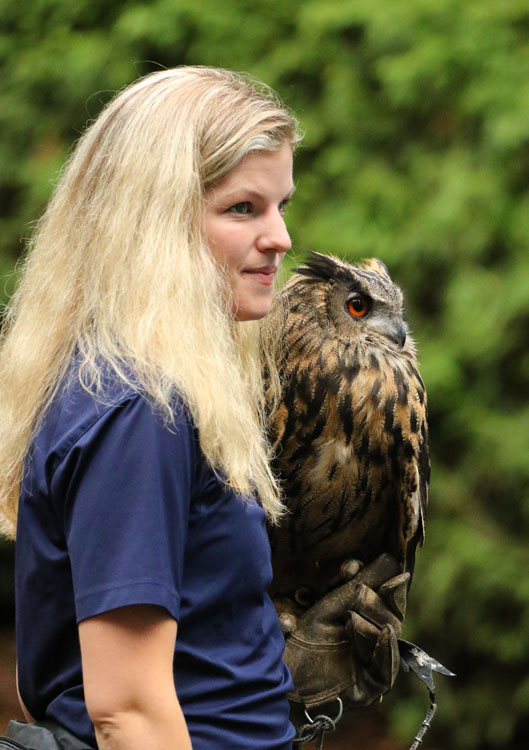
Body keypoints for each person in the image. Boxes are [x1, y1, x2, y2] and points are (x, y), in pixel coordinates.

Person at [0, 66, 406, 750]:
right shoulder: (137, 408)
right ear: (153, 225)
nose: (279, 237)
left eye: (279, 205)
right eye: (242, 209)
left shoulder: (154, 387)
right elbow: (126, 710)